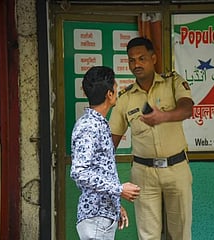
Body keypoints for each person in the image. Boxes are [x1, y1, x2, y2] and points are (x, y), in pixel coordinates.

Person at [109, 37, 194, 240]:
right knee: (148, 236)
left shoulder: (173, 82)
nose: (136, 64)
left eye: (141, 58)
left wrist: (163, 116)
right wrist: (107, 183)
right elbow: (111, 142)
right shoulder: (125, 98)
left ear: (153, 58)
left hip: (177, 168)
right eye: (131, 60)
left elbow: (187, 108)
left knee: (181, 233)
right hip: (143, 174)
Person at [70, 66, 141, 240]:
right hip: (95, 218)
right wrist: (119, 189)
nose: (117, 90)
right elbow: (79, 172)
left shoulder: (98, 123)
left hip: (102, 216)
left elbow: (101, 169)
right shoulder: (89, 126)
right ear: (109, 94)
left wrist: (115, 205)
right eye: (115, 87)